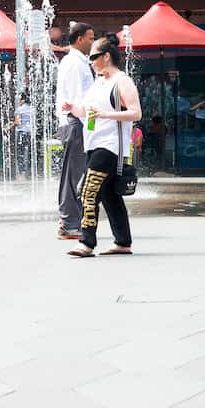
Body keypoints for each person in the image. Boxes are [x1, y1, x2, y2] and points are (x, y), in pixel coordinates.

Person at [64, 35, 142, 257]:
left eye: (94, 57)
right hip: (94, 143)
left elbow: (136, 113)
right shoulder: (99, 81)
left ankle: (86, 242)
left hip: (110, 147)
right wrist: (73, 108)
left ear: (106, 57)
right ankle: (123, 242)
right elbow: (87, 111)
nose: (90, 61)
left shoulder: (122, 81)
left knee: (88, 192)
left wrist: (107, 114)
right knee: (109, 194)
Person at [55, 22, 96, 238]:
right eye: (90, 38)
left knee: (76, 174)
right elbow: (80, 101)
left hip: (77, 123)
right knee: (73, 175)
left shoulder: (78, 62)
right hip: (75, 123)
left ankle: (72, 221)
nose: (92, 42)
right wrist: (90, 127)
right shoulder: (75, 64)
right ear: (79, 39)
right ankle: (69, 223)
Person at [14, 93, 35, 175]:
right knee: (30, 152)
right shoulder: (32, 109)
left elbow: (17, 122)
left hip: (21, 133)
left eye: (20, 99)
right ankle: (30, 171)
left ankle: (21, 172)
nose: (19, 101)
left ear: (23, 100)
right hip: (30, 133)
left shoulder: (19, 109)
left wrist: (10, 125)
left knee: (20, 153)